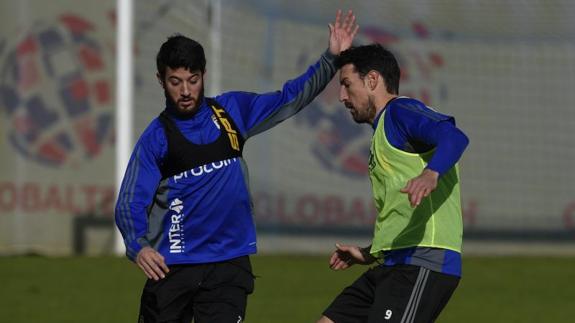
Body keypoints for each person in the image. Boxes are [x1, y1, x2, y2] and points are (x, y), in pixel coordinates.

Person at [114, 9, 359, 323]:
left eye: (193, 80)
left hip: (228, 268)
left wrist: (331, 59)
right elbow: (130, 201)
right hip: (172, 267)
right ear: (161, 80)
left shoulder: (231, 113)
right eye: (175, 82)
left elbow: (290, 98)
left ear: (203, 75)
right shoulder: (156, 139)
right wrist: (139, 246)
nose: (186, 91)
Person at [317, 44, 469, 323]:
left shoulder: (402, 111)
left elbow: (455, 137)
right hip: (394, 262)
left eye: (347, 85)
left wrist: (431, 173)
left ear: (372, 80)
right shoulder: (383, 131)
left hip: (423, 262)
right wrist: (366, 253)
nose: (341, 97)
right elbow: (401, 214)